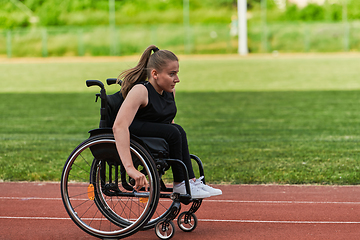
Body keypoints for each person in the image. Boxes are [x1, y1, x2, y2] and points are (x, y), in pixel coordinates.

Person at [113, 45, 222, 199]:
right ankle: (180, 184)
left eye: (176, 73)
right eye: (172, 74)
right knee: (173, 131)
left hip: (153, 133)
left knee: (178, 130)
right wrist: (130, 168)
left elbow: (167, 121)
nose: (177, 79)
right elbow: (119, 126)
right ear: (155, 74)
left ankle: (189, 181)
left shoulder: (170, 91)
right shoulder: (141, 91)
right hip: (133, 131)